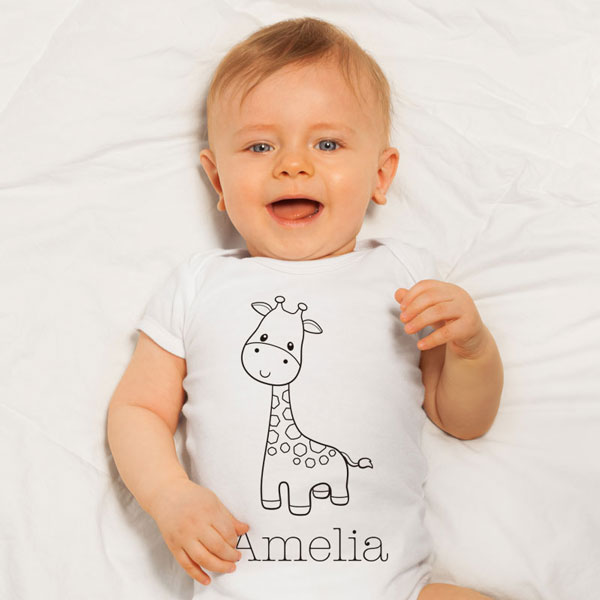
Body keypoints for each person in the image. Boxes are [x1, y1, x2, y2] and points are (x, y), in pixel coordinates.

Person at [107, 17, 503, 600]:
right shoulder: (198, 285)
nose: (293, 164)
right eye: (260, 146)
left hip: (390, 587)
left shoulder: (403, 275)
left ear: (380, 175)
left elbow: (463, 420)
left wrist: (473, 349)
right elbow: (138, 409)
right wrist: (170, 496)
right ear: (218, 179)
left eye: (328, 144)